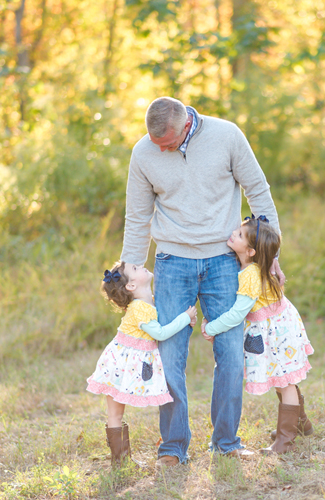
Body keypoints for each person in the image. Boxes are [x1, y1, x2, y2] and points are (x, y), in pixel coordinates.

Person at [120, 96, 284, 466]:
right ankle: (173, 447)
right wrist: (127, 276)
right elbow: (137, 218)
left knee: (230, 353)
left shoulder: (226, 136)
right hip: (172, 262)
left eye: (167, 143)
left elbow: (258, 192)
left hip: (224, 262)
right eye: (154, 142)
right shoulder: (144, 153)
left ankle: (226, 441)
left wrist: (271, 258)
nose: (159, 149)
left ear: (185, 125)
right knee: (169, 354)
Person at [202, 216, 314, 454]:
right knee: (283, 377)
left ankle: (286, 439)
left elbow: (237, 314)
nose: (234, 233)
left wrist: (211, 328)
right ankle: (299, 425)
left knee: (285, 382)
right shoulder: (250, 267)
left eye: (240, 235)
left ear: (251, 251)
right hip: (277, 326)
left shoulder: (251, 274)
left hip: (278, 331)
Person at [86, 261, 197, 468]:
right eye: (135, 269)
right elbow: (160, 333)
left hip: (123, 362)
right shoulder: (140, 308)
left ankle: (121, 461)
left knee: (116, 413)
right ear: (131, 286)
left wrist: (184, 321)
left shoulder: (149, 303)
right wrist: (185, 317)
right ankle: (120, 461)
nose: (140, 265)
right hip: (120, 365)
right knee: (115, 413)